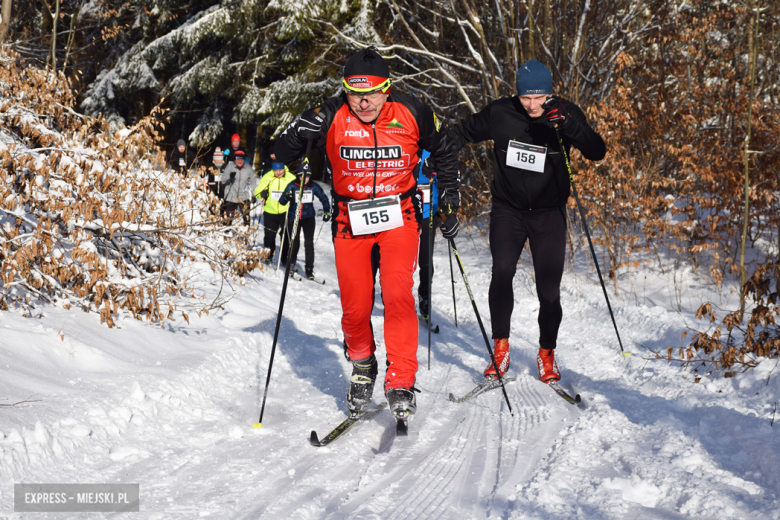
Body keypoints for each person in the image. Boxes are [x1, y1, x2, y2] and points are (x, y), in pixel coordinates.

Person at [275, 46, 461, 421]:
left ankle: (401, 379)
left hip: (399, 217)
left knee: (397, 293)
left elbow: (445, 147)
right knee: (355, 308)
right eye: (355, 93)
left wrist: (451, 196)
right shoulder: (330, 114)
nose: (364, 103)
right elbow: (278, 151)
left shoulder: (412, 111)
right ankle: (363, 365)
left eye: (373, 92)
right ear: (345, 90)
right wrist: (298, 132)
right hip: (349, 220)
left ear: (387, 88)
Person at [450, 59, 607, 384]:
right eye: (526, 98)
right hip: (508, 210)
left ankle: (546, 353)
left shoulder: (564, 112)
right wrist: (431, 151)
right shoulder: (500, 113)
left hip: (549, 214)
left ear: (550, 93)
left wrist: (569, 126)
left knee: (549, 291)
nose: (533, 105)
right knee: (502, 270)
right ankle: (500, 347)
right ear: (516, 94)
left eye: (540, 97)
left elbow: (597, 151)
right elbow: (461, 132)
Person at [278, 162, 331, 279]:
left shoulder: (313, 186)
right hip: (294, 217)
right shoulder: (292, 185)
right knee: (294, 243)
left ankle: (309, 270)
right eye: (302, 176)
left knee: (309, 244)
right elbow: (281, 201)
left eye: (307, 176)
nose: (304, 179)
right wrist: (287, 197)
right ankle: (291, 266)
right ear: (298, 176)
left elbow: (324, 198)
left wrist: (327, 211)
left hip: (308, 218)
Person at [254, 161, 296, 264]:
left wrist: (292, 196)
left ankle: (284, 257)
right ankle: (268, 255)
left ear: (284, 169)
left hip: (285, 211)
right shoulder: (268, 176)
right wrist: (263, 194)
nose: (278, 173)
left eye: (280, 170)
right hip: (270, 211)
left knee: (286, 235)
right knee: (269, 235)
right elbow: (257, 192)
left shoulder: (291, 178)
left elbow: (298, 191)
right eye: (275, 170)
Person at [416, 152, 439, 326]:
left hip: (428, 212)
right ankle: (396, 301)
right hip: (404, 211)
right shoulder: (402, 137)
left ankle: (425, 298)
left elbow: (447, 176)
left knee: (425, 260)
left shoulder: (436, 144)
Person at [219, 150, 256, 226]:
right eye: (237, 159)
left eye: (241, 159)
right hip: (230, 196)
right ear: (234, 160)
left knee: (246, 218)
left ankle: (246, 234)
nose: (239, 161)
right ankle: (226, 233)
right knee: (228, 219)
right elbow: (223, 180)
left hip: (243, 196)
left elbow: (253, 181)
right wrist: (230, 178)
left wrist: (252, 194)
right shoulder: (229, 167)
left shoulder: (248, 168)